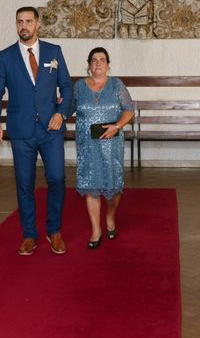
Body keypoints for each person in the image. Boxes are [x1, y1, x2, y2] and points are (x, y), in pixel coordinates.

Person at [0, 6, 73, 256]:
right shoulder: (5, 56)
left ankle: (54, 230)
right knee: (25, 184)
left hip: (51, 128)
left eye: (28, 21)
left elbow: (66, 87)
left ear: (37, 24)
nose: (23, 26)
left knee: (57, 178)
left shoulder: (53, 52)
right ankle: (29, 234)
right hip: (21, 130)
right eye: (19, 22)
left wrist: (61, 113)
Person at [70, 47, 134, 249]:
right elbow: (66, 108)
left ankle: (110, 216)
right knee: (91, 185)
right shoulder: (78, 86)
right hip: (87, 144)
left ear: (108, 64)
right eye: (94, 60)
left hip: (111, 143)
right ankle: (96, 230)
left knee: (113, 186)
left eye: (102, 59)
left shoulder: (117, 85)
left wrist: (117, 126)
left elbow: (129, 110)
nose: (98, 63)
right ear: (89, 65)